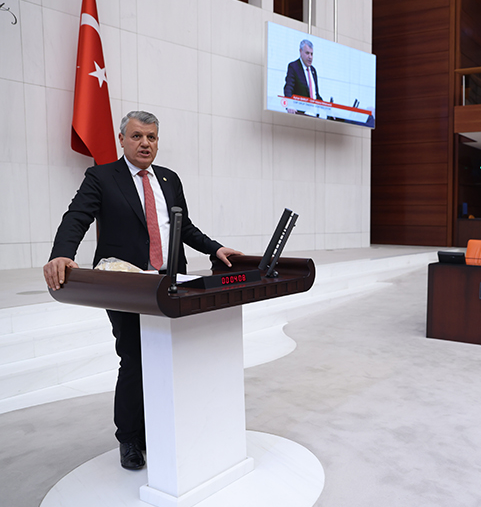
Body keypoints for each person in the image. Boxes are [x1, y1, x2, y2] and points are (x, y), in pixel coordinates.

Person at [43, 111, 242, 471]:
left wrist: (215, 248)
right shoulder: (102, 177)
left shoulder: (169, 178)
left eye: (151, 137)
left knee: (168, 356)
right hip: (126, 284)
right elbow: (76, 217)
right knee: (134, 358)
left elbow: (185, 227)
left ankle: (159, 426)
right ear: (121, 139)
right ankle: (130, 438)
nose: (145, 143)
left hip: (170, 282)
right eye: (137, 136)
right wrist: (62, 253)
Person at [283, 39, 322, 114]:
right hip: (300, 114)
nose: (310, 57)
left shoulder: (313, 70)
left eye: (312, 54)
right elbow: (288, 88)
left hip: (314, 115)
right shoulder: (293, 67)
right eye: (307, 53)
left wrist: (328, 108)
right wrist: (290, 105)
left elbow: (316, 94)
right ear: (300, 51)